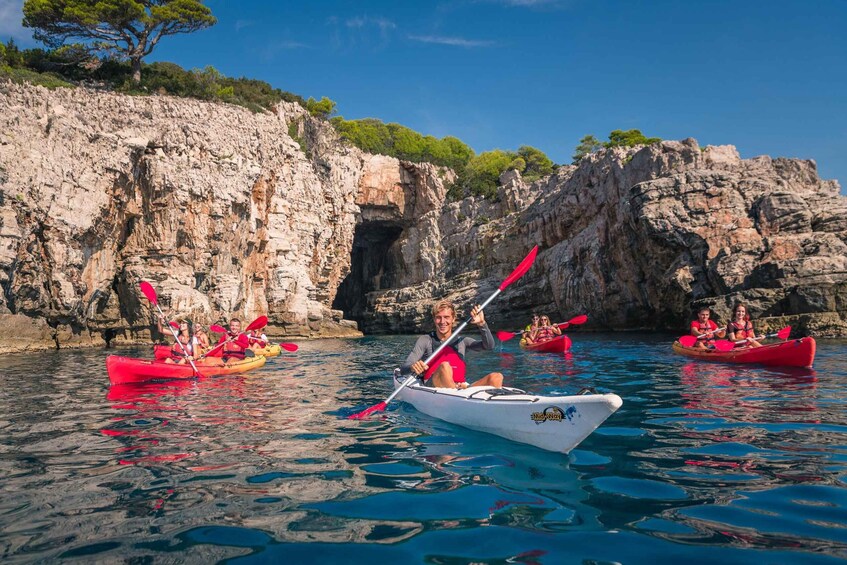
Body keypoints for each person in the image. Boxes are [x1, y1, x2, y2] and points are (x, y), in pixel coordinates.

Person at [401, 300, 504, 390]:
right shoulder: (426, 340)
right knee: (445, 366)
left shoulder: (462, 342)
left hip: (460, 388)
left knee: (496, 377)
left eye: (446, 317)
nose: (442, 322)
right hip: (433, 387)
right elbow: (403, 368)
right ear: (434, 319)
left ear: (453, 318)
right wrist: (413, 367)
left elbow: (489, 346)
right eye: (438, 318)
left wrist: (482, 324)